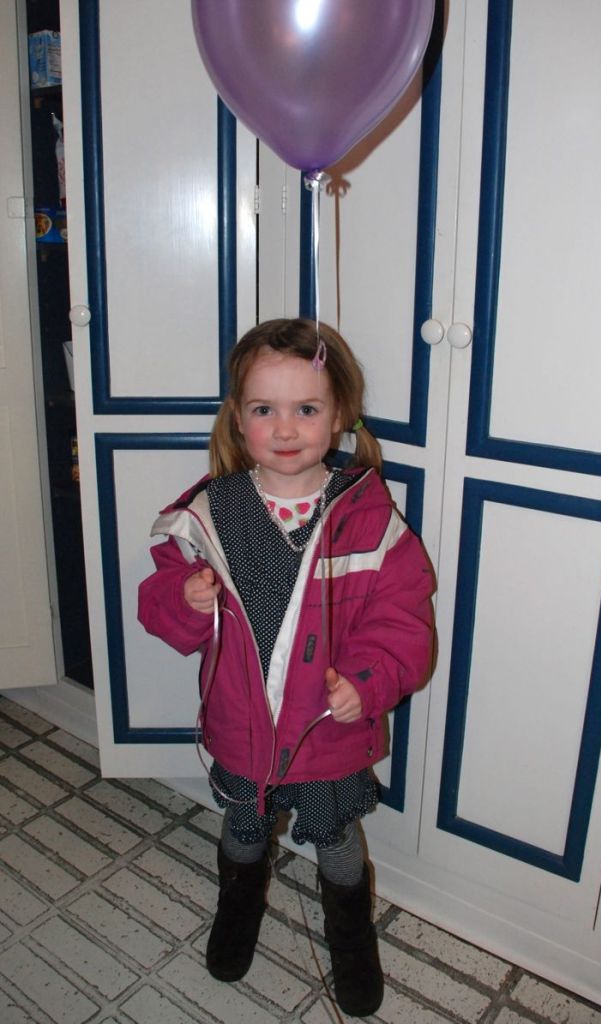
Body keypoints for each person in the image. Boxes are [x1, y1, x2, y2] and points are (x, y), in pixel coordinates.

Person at [138, 318, 435, 1018]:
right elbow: (159, 602)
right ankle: (237, 911)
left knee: (335, 836)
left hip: (328, 729)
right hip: (243, 725)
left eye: (306, 408)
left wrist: (368, 683)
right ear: (237, 419)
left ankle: (352, 940)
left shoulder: (367, 515)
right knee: (244, 828)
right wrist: (185, 599)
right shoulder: (209, 512)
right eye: (264, 409)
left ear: (339, 414)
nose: (285, 428)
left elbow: (403, 617)